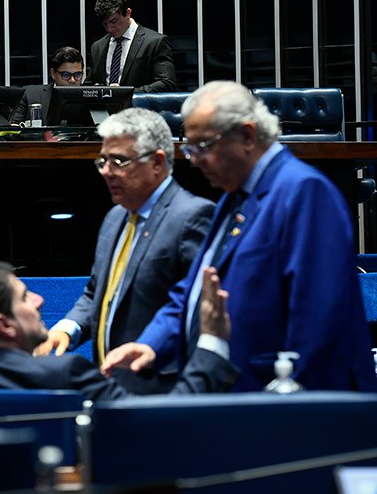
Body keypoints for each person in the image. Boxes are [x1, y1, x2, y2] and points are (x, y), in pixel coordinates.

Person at [102, 80, 377, 392]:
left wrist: (294, 404)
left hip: (279, 399)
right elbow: (193, 292)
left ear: (247, 135)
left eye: (203, 146)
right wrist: (152, 344)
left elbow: (319, 317)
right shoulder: (233, 198)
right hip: (239, 397)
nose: (193, 159)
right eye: (189, 147)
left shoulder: (303, 192)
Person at [35, 109, 214, 394]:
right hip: (111, 383)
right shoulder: (115, 217)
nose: (106, 170)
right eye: (103, 160)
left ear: (156, 162)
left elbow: (195, 308)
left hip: (162, 385)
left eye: (119, 160)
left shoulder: (192, 217)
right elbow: (97, 293)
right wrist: (67, 329)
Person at [0, 261, 238, 401]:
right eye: (24, 297)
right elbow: (165, 420)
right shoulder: (64, 376)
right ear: (5, 326)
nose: (39, 300)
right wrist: (212, 342)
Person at [88, 0, 176, 94]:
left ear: (128, 13)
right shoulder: (97, 47)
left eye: (113, 21)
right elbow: (90, 85)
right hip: (104, 110)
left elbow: (167, 83)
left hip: (139, 108)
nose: (109, 29)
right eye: (105, 24)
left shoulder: (155, 42)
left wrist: (125, 93)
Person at [9, 46, 85, 126]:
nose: (72, 80)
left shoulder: (91, 97)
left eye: (77, 75)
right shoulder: (30, 95)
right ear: (53, 73)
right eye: (66, 75)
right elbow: (13, 128)